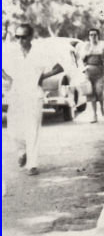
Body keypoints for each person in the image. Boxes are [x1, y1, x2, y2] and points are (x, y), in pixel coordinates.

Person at [2, 24, 63, 175]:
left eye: (23, 37)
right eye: (17, 37)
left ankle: (32, 164)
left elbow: (59, 67)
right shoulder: (11, 53)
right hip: (16, 94)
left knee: (32, 129)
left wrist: (42, 76)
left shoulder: (40, 52)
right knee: (13, 130)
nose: (20, 40)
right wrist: (7, 78)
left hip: (34, 95)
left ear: (30, 37)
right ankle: (22, 152)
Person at [82, 28, 104, 123]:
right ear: (88, 36)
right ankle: (94, 115)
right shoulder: (86, 46)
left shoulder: (102, 46)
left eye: (95, 35)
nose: (93, 37)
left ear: (98, 36)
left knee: (99, 91)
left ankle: (101, 106)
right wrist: (88, 52)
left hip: (100, 71)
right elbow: (82, 59)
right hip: (89, 71)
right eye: (91, 35)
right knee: (91, 93)